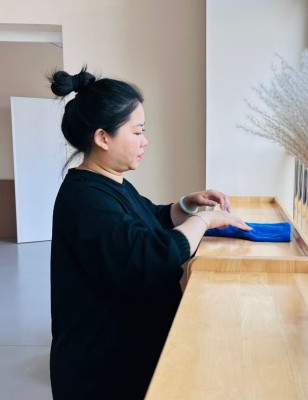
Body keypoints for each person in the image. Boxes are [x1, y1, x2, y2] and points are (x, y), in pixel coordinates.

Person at [47, 67, 250, 399]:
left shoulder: (109, 183)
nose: (145, 141)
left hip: (126, 355)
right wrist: (204, 222)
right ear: (102, 137)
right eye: (137, 131)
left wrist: (187, 205)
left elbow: (148, 217)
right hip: (103, 372)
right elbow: (150, 256)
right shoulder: (84, 199)